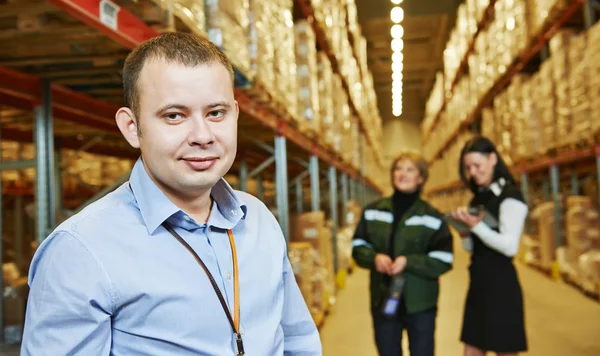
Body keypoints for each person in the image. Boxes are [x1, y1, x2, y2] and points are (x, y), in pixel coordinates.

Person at [21, 33, 322, 355]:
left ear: (235, 113)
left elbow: (297, 338)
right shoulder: (80, 250)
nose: (202, 136)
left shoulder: (258, 218)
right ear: (132, 127)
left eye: (216, 113)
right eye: (174, 116)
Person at [352, 151, 454, 356]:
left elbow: (444, 259)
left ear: (421, 178)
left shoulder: (432, 216)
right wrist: (374, 258)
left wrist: (409, 262)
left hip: (420, 301)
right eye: (398, 168)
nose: (402, 174)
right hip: (384, 298)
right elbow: (358, 245)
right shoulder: (373, 211)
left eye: (410, 169)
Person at [450, 136, 528, 356]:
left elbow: (509, 246)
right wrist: (464, 230)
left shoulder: (511, 197)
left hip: (501, 286)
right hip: (479, 283)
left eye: (477, 165)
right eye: (468, 168)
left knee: (504, 350)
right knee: (471, 349)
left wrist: (476, 227)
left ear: (493, 159)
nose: (473, 172)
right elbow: (474, 247)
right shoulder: (477, 199)